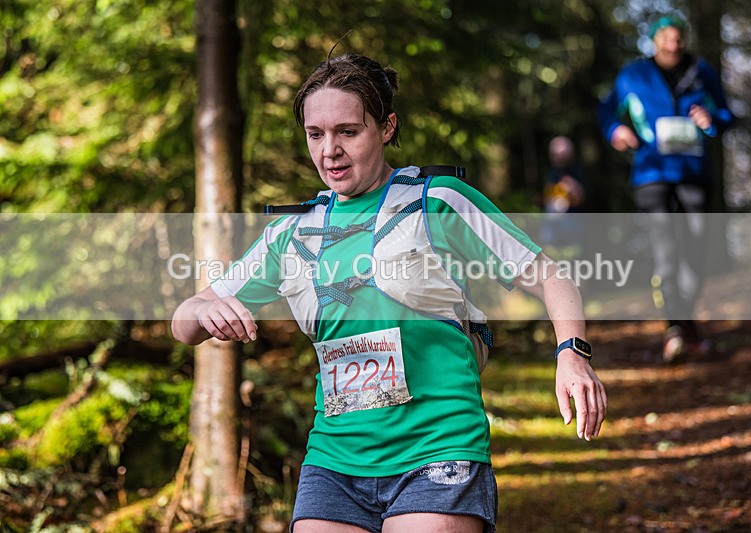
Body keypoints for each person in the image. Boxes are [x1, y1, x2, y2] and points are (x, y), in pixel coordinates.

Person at [172, 52, 607, 533]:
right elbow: (185, 319)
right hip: (334, 462)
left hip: (438, 448)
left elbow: (549, 275)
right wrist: (207, 313)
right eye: (315, 135)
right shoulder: (292, 231)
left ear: (386, 127)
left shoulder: (434, 201)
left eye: (347, 132)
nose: (329, 150)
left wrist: (572, 353)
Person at [597, 13, 733, 363]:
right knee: (666, 250)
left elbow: (726, 114)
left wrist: (711, 120)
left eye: (679, 38)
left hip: (692, 171)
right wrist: (616, 131)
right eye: (667, 38)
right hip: (650, 172)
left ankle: (685, 320)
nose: (674, 44)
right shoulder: (633, 75)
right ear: (655, 41)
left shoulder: (701, 72)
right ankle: (675, 327)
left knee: (697, 246)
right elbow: (607, 111)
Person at [540, 136, 586, 248]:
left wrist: (572, 187)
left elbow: (581, 198)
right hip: (551, 225)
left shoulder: (576, 172)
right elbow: (545, 197)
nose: (559, 158)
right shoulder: (551, 174)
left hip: (572, 223)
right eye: (555, 155)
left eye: (563, 155)